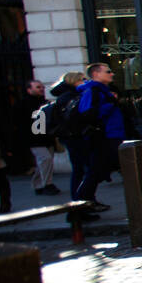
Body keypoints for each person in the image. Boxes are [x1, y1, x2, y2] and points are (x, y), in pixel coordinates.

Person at [75, 62, 125, 211]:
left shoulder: (102, 91)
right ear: (96, 74)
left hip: (112, 135)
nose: (112, 74)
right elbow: (87, 114)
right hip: (103, 137)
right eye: (108, 71)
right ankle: (81, 206)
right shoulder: (93, 91)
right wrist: (110, 104)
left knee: (98, 172)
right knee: (94, 172)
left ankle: (86, 202)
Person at [16, 79, 61, 196]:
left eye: (41, 87)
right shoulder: (23, 104)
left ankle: (38, 184)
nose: (41, 89)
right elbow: (22, 123)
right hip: (34, 138)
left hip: (46, 137)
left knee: (46, 161)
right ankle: (47, 184)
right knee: (45, 159)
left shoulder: (45, 103)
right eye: (37, 87)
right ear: (29, 89)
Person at [50, 72, 89, 203]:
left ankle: (83, 200)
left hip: (74, 136)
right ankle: (79, 201)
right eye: (82, 79)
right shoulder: (69, 97)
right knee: (80, 170)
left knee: (82, 169)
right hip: (74, 137)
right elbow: (75, 118)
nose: (85, 81)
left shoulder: (68, 96)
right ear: (74, 81)